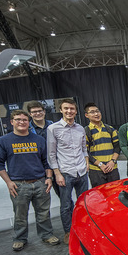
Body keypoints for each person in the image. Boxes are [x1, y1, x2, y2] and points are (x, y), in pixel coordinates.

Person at [0, 110, 60, 251]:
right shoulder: (3, 141)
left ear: (28, 122)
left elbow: (46, 161)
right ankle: (20, 238)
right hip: (19, 185)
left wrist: (48, 178)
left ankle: (46, 235)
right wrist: (9, 182)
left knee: (43, 213)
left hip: (40, 182)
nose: (21, 122)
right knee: (20, 215)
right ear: (11, 122)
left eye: (24, 120)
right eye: (18, 119)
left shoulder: (39, 140)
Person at [47, 98, 89, 245]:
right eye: (66, 109)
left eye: (72, 109)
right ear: (61, 110)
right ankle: (68, 231)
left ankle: (84, 229)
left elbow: (84, 148)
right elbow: (51, 154)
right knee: (66, 205)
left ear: (76, 111)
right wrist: (57, 173)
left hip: (82, 171)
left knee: (83, 203)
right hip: (65, 172)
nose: (69, 111)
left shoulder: (80, 128)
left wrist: (87, 163)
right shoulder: (53, 129)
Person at [27, 101, 60, 198]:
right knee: (42, 196)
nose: (37, 113)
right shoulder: (27, 129)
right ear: (30, 114)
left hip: (56, 163)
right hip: (39, 166)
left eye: (39, 111)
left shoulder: (53, 126)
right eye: (34, 112)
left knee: (62, 192)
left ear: (44, 111)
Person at [84, 103, 120, 187]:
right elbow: (85, 152)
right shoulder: (85, 131)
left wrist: (112, 162)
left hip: (112, 168)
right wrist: (100, 164)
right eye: (92, 112)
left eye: (97, 111)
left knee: (115, 194)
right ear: (86, 115)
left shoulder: (110, 129)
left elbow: (117, 147)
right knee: (100, 196)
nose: (96, 114)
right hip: (96, 170)